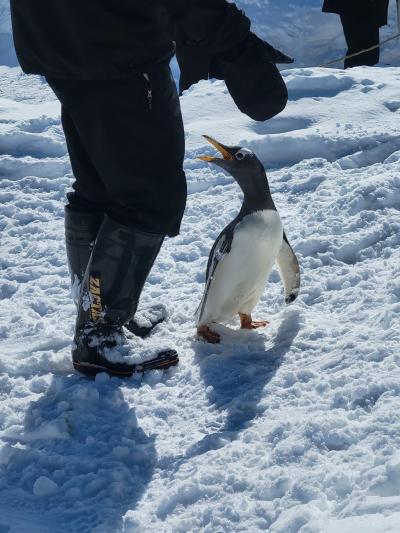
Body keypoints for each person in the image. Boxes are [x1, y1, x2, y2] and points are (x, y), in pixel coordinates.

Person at [10, 0, 290, 377]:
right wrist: (235, 42)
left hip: (58, 37)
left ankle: (99, 315)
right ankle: (100, 333)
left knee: (100, 186)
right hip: (118, 44)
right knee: (150, 195)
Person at [322, 0, 390, 68]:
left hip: (365, 7)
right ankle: (355, 75)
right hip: (357, 6)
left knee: (367, 51)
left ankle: (357, 74)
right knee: (361, 51)